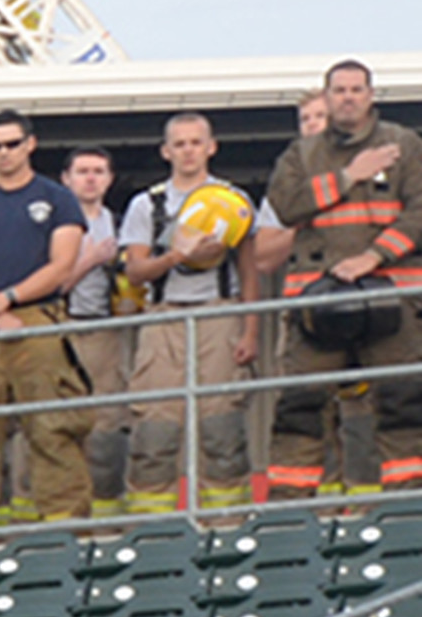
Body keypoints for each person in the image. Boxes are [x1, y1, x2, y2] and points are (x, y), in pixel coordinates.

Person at [264, 58, 422, 505]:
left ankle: (407, 506)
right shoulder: (302, 154)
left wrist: (373, 256)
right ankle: (289, 511)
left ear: (371, 95)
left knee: (403, 404)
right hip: (318, 302)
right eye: (339, 90)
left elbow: (419, 212)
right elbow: (286, 204)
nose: (348, 97)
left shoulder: (405, 145)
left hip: (394, 299)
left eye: (357, 89)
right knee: (300, 407)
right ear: (327, 97)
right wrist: (350, 174)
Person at [0, 111, 92, 529]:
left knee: (53, 431)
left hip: (39, 321)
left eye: (12, 144)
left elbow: (62, 265)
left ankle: (66, 535)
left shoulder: (59, 198)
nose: (3, 154)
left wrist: (8, 300)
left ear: (31, 144)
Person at [120, 113, 257, 514]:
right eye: (179, 144)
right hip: (163, 319)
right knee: (154, 429)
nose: (188, 151)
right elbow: (135, 271)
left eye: (196, 142)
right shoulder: (147, 204)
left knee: (221, 427)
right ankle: (151, 532)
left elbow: (250, 274)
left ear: (211, 147)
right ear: (166, 151)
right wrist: (181, 254)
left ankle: (226, 527)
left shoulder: (235, 202)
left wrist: (249, 332)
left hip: (220, 315)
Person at [59, 147, 132, 512]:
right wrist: (88, 260)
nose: (90, 178)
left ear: (110, 179)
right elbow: (49, 286)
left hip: (107, 333)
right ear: (65, 179)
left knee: (107, 426)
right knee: (57, 425)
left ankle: (106, 516)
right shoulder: (54, 226)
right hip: (61, 331)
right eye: (82, 171)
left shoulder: (122, 225)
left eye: (99, 171)